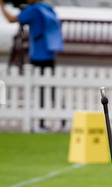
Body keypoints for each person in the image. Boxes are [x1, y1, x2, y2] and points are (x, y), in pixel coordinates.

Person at [0, 0, 64, 130]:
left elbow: (11, 19)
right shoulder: (46, 8)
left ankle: (41, 123)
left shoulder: (33, 10)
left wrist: (2, 5)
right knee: (51, 88)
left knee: (40, 89)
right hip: (49, 52)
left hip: (38, 54)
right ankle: (63, 119)